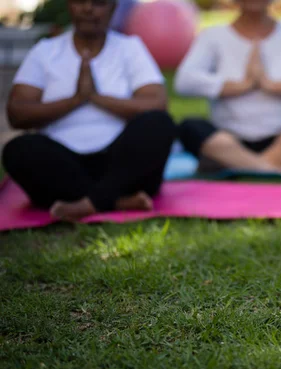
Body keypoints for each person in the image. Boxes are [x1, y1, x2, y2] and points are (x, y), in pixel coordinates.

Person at [1, 0, 176, 222]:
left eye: (98, 3)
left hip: (121, 163)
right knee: (18, 150)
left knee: (158, 124)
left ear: (113, 8)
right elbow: (17, 114)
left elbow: (157, 103)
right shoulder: (45, 51)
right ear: (69, 6)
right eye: (80, 1)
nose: (88, 9)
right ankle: (115, 201)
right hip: (64, 164)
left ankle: (88, 202)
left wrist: (94, 96)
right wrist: (76, 99)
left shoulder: (130, 48)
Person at [174, 0, 281, 179]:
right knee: (191, 127)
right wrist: (241, 85)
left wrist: (272, 85)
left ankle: (240, 166)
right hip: (230, 139)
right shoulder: (212, 35)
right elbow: (184, 81)